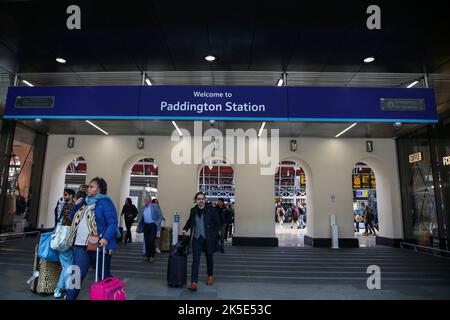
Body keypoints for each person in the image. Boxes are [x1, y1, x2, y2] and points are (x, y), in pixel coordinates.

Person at [65, 177, 118, 300]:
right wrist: (75, 206)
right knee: (76, 277)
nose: (88, 189)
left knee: (103, 275)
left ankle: (113, 295)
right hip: (80, 245)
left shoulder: (105, 202)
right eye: (88, 186)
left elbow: (113, 223)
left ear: (99, 190)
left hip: (97, 244)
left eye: (91, 187)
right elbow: (73, 218)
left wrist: (105, 238)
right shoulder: (85, 202)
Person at [182, 192, 220, 291]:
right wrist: (185, 229)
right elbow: (190, 221)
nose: (201, 200)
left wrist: (214, 235)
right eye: (199, 199)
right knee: (195, 260)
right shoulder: (193, 210)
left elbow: (217, 223)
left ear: (205, 199)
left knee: (209, 257)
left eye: (202, 198)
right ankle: (194, 282)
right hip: (197, 238)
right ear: (196, 200)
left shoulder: (211, 209)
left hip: (208, 238)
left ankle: (210, 276)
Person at [52, 188, 75, 299]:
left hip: (62, 240)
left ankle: (59, 289)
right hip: (67, 240)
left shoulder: (64, 206)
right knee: (68, 267)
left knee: (66, 266)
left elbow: (58, 220)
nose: (64, 196)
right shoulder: (70, 206)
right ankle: (67, 291)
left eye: (66, 195)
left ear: (71, 195)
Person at [136, 196, 163, 263]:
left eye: (146, 200)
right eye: (144, 200)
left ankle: (152, 256)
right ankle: (148, 256)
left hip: (153, 225)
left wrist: (156, 223)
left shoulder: (155, 206)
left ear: (150, 200)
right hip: (146, 226)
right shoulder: (142, 207)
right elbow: (140, 216)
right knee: (147, 241)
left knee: (151, 240)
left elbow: (160, 216)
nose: (145, 201)